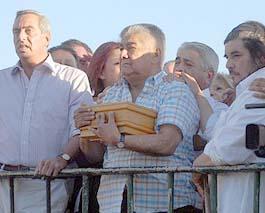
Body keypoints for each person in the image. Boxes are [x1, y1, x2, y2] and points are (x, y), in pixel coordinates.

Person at [75, 23, 201, 213]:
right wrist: (84, 129)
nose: (124, 54)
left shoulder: (175, 90)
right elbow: (95, 155)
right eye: (122, 48)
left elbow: (167, 143)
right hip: (114, 203)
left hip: (167, 203)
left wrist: (120, 140)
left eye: (131, 48)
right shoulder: (110, 95)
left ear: (156, 54)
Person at [0, 10, 93, 212]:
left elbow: (82, 129)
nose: (20, 37)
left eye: (28, 30)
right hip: (3, 185)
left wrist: (63, 159)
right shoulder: (1, 80)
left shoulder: (72, 79)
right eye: (16, 31)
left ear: (46, 38)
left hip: (49, 184)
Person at [181, 21, 265, 213]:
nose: (229, 64)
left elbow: (237, 139)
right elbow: (217, 130)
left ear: (260, 57)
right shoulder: (245, 91)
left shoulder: (257, 89)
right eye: (227, 57)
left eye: (236, 55)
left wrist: (205, 160)